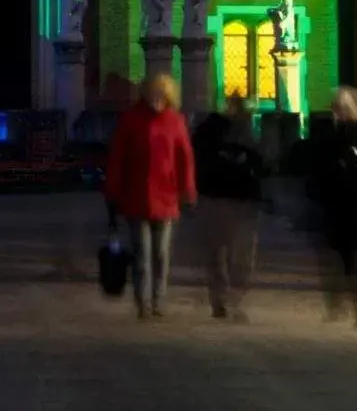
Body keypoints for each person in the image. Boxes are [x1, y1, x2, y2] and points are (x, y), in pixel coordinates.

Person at [104, 73, 195, 317]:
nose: (157, 99)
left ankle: (158, 299)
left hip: (166, 197)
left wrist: (188, 190)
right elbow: (117, 158)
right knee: (142, 253)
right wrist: (112, 191)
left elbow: (184, 158)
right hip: (137, 196)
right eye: (153, 93)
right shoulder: (131, 120)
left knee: (161, 253)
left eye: (161, 94)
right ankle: (143, 302)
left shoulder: (175, 121)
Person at [307, 85, 357, 326]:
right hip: (344, 207)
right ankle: (348, 307)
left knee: (346, 262)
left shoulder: (353, 140)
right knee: (345, 262)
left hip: (346, 208)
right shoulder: (355, 138)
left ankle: (351, 308)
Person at [190, 93, 266, 320]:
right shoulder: (210, 131)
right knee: (220, 254)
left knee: (236, 256)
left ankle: (229, 298)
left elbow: (262, 162)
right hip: (220, 197)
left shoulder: (249, 131)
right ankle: (222, 300)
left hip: (240, 199)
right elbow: (199, 160)